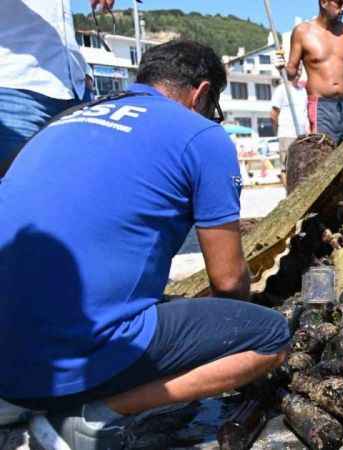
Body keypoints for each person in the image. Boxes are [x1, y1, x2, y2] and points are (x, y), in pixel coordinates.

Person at [0, 40, 290, 450]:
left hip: (5, 356)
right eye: (215, 108)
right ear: (202, 93)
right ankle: (93, 417)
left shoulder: (65, 120)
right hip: (63, 364)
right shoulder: (201, 135)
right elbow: (227, 281)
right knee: (270, 338)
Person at [0, 0, 114, 178]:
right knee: (16, 193)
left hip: (76, 90)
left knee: (76, 188)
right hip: (16, 88)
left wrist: (82, 71)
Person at [275, 0, 343, 144]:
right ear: (324, 2)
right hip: (322, 107)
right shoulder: (302, 32)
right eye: (339, 3)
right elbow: (291, 72)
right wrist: (281, 68)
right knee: (326, 158)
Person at [271, 64, 309, 179]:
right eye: (296, 69)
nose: (298, 72)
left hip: (302, 135)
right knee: (286, 167)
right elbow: (273, 114)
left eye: (301, 70)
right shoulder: (281, 89)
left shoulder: (303, 91)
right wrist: (277, 130)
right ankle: (289, 194)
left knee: (300, 168)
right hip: (286, 133)